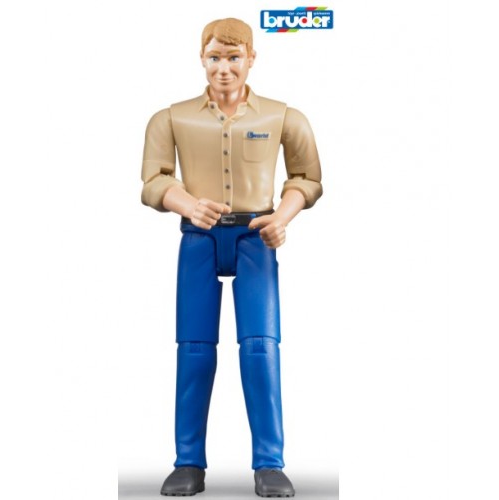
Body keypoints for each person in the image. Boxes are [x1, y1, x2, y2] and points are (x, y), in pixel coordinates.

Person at [141, 17, 322, 498]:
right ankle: (187, 462)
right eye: (215, 57)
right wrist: (187, 205)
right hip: (198, 237)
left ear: (251, 59)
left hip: (255, 238)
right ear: (201, 59)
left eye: (234, 57)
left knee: (261, 348)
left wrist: (281, 217)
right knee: (194, 350)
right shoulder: (171, 118)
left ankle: (269, 463)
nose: (224, 67)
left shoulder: (282, 117)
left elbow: (307, 177)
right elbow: (154, 181)